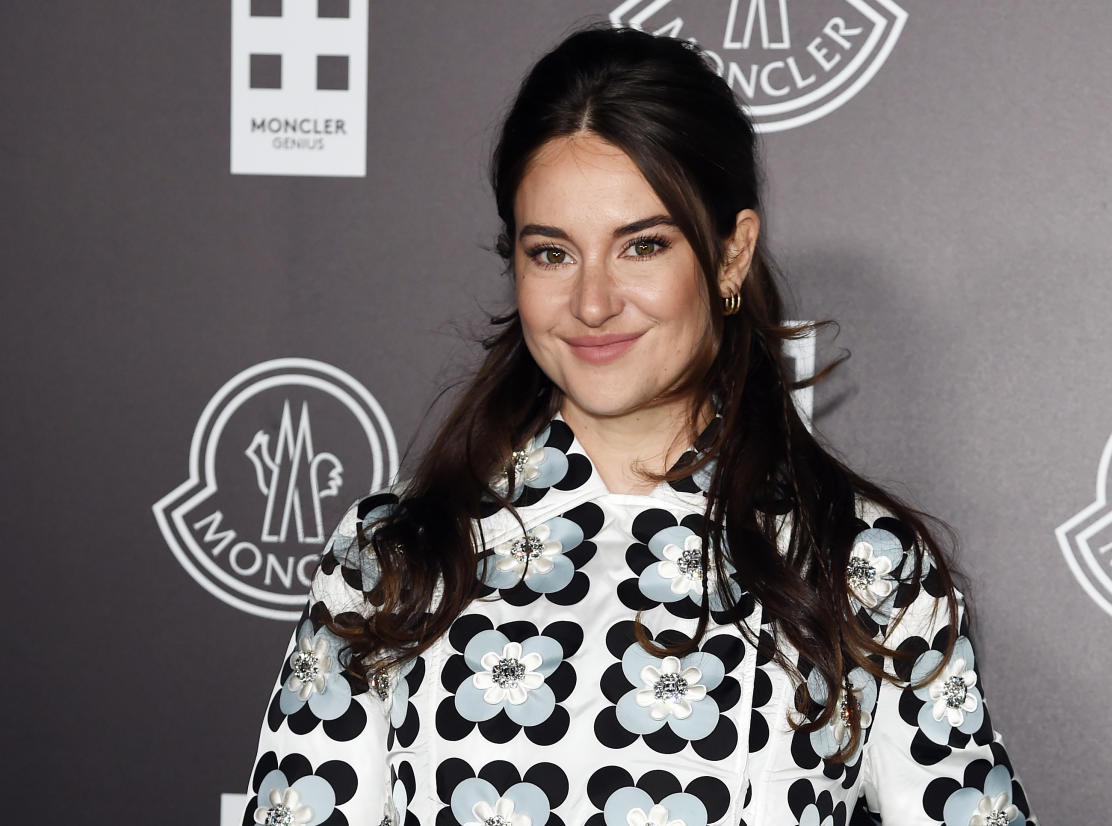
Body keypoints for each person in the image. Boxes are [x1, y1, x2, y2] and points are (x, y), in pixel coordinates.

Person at [241, 25, 1036, 826]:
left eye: (642, 246)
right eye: (552, 253)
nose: (592, 303)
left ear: (731, 255)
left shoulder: (858, 561)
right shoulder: (396, 552)